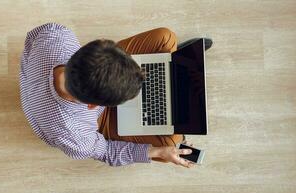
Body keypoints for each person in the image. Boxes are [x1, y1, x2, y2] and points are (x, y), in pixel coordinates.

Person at [19, 23, 205, 168]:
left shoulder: (56, 36)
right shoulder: (75, 135)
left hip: (63, 84)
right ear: (94, 106)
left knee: (164, 37)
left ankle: (175, 73)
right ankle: (179, 72)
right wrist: (158, 153)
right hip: (87, 121)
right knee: (172, 142)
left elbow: (32, 39)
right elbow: (107, 152)